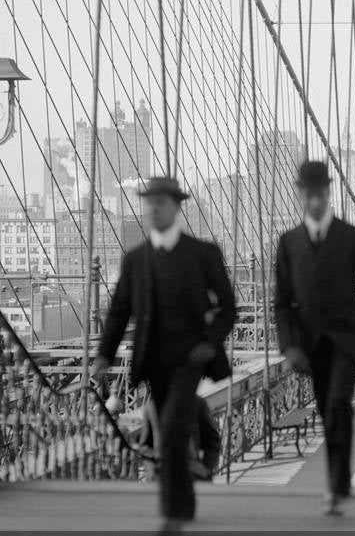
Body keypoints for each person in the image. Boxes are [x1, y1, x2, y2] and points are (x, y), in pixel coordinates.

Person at [94, 176, 237, 533]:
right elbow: (118, 312)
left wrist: (210, 341)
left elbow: (229, 307)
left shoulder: (203, 254)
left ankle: (172, 510)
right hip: (153, 362)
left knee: (172, 427)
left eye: (160, 202)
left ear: (176, 206)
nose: (153, 208)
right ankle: (183, 500)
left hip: (190, 360)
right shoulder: (135, 260)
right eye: (149, 202)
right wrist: (103, 355)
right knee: (169, 430)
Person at [273, 160, 355, 516]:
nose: (314, 199)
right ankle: (340, 480)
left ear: (328, 193)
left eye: (320, 192)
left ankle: (336, 484)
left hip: (347, 338)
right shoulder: (288, 242)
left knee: (339, 403)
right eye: (307, 193)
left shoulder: (351, 237)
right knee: (328, 410)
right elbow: (281, 302)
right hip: (310, 345)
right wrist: (289, 345)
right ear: (300, 195)